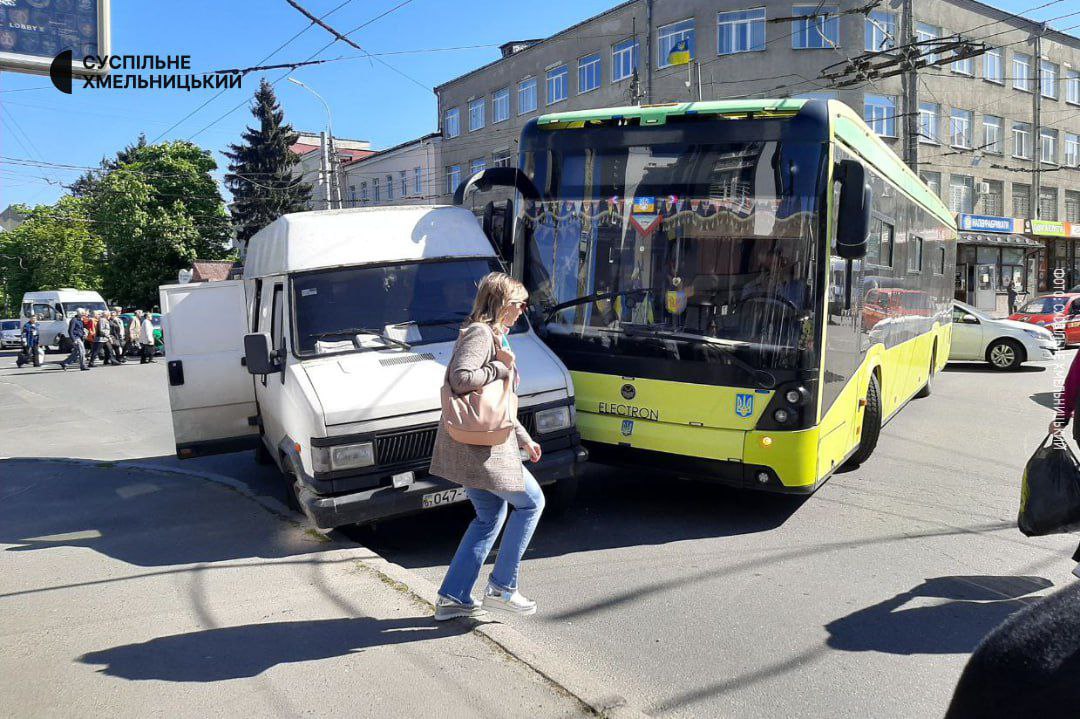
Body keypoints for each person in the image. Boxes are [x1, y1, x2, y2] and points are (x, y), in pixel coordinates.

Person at [430, 272, 545, 621]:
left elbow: (495, 403)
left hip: (480, 444)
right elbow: (461, 379)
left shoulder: (495, 336)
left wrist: (524, 438)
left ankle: (453, 596)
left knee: (489, 517)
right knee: (531, 503)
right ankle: (502, 588)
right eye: (517, 303)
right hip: (483, 451)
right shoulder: (480, 334)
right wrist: (497, 367)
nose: (522, 310)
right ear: (499, 304)